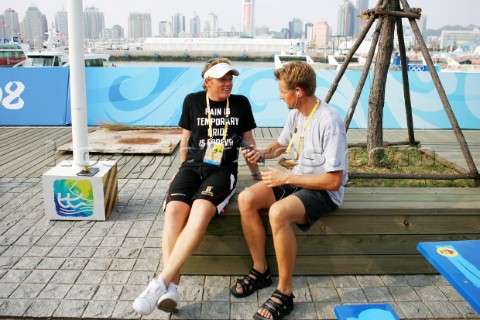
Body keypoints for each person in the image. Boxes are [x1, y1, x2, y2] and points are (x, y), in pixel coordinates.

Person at [133, 57, 261, 315]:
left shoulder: (240, 103)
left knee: (201, 209)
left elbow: (249, 142)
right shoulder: (192, 101)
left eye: (230, 78)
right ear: (207, 82)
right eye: (222, 79)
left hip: (222, 170)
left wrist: (257, 172)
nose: (228, 83)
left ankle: (159, 283)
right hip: (191, 167)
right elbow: (186, 139)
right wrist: (181, 170)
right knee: (174, 211)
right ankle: (173, 289)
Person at [230, 61, 348, 320]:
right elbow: (281, 146)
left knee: (278, 212)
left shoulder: (330, 121)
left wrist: (286, 177)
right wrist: (262, 152)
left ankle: (285, 293)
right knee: (246, 197)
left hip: (322, 189)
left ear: (298, 91)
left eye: (283, 92)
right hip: (295, 178)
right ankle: (261, 271)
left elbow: (334, 182)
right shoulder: (296, 114)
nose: (280, 96)